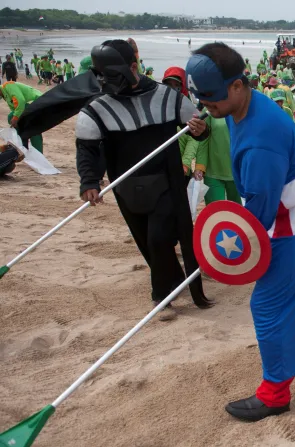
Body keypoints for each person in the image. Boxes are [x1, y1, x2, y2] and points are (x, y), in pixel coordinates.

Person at [186, 42, 295, 420]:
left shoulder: (260, 142)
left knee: (268, 304)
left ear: (237, 85)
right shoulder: (245, 104)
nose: (206, 105)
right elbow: (221, 120)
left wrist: (223, 251)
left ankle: (275, 394)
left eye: (211, 97)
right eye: (201, 97)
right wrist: (204, 129)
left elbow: (257, 218)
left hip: (294, 223)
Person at [76, 39, 213, 319]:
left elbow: (198, 128)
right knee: (145, 241)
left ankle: (161, 298)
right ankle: (173, 280)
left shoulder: (168, 97)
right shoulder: (97, 108)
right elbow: (87, 149)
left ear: (133, 67)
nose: (107, 81)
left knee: (158, 239)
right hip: (126, 186)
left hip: (166, 182)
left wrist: (200, 129)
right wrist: (89, 181)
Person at [1, 81, 44, 153]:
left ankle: (24, 147)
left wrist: (15, 118)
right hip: (29, 107)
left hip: (35, 103)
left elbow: (21, 101)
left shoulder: (8, 85)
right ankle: (23, 146)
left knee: (12, 118)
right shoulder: (4, 94)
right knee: (25, 127)